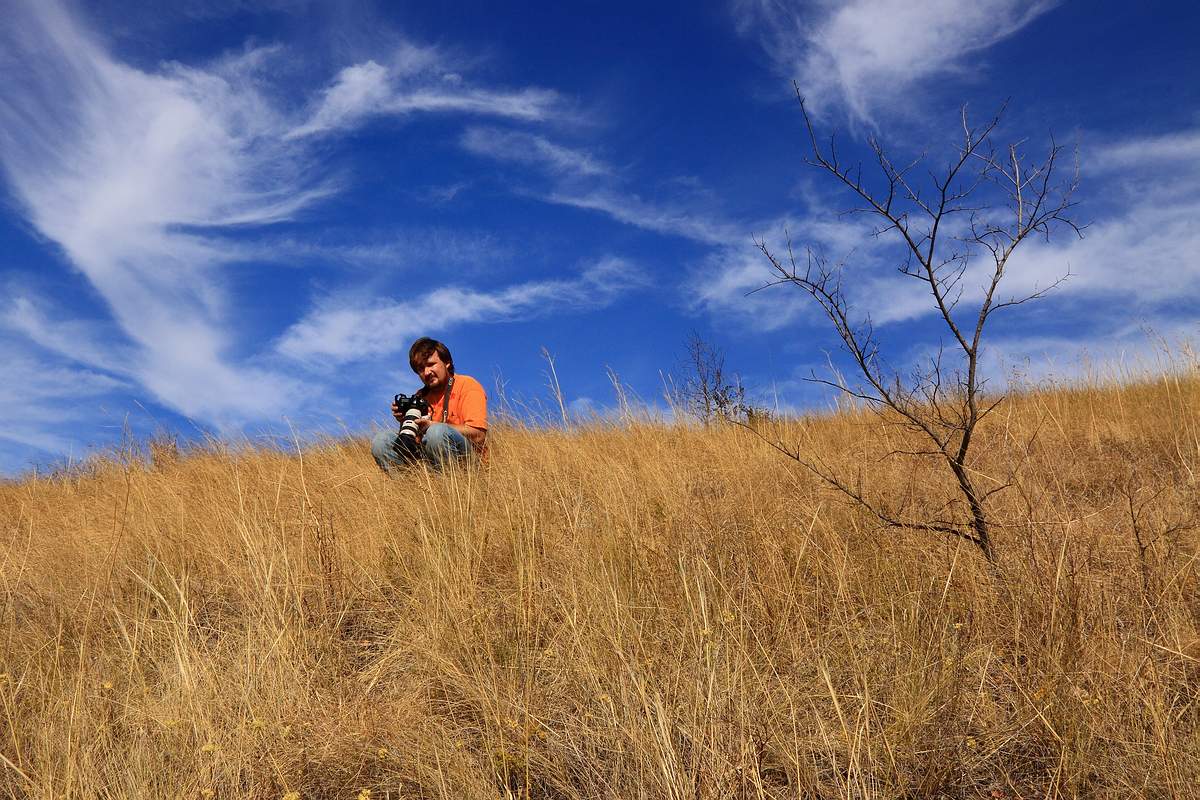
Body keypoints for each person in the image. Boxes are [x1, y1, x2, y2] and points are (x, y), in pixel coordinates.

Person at [371, 337, 487, 472]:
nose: (426, 372)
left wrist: (433, 427)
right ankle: (410, 489)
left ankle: (453, 488)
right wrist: (405, 422)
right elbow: (414, 442)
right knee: (381, 441)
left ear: (447, 362)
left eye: (431, 364)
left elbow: (479, 435)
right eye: (420, 369)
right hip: (430, 461)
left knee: (436, 432)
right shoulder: (420, 396)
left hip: (469, 464)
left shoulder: (467, 385)